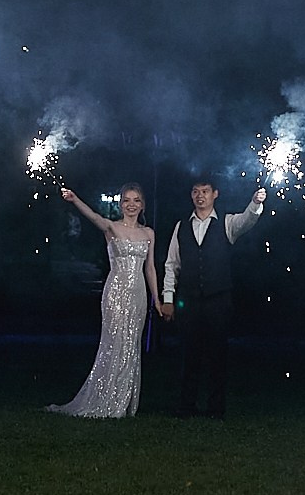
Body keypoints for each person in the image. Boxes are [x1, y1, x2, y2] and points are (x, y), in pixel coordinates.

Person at [157, 179, 267, 419]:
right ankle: (186, 406)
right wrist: (168, 299)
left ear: (215, 194)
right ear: (191, 195)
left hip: (219, 300)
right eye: (196, 191)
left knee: (218, 355)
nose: (200, 196)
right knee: (189, 354)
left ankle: (216, 408)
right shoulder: (181, 227)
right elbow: (172, 264)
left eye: (205, 191)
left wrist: (255, 203)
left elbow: (247, 221)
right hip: (189, 301)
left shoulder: (227, 223)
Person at [51, 184, 159, 418]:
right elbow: (93, 216)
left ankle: (124, 399)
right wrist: (75, 199)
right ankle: (106, 398)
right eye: (127, 200)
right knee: (114, 343)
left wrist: (157, 300)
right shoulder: (111, 227)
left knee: (131, 345)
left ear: (142, 205)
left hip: (138, 294)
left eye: (136, 200)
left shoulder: (149, 234)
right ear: (120, 204)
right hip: (116, 292)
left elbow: (150, 268)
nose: (131, 205)